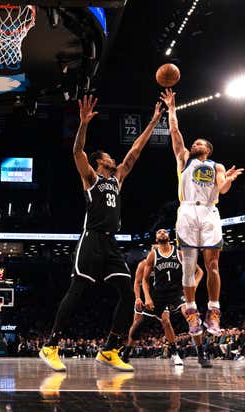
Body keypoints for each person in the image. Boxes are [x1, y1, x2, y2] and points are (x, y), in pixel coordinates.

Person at [39, 95, 165, 372]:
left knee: (129, 296)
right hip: (91, 239)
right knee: (77, 290)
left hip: (111, 243)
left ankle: (109, 349)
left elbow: (136, 150)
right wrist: (83, 124)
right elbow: (77, 153)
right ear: (99, 162)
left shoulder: (117, 179)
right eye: (107, 156)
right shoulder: (92, 179)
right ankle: (50, 345)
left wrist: (155, 121)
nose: (113, 158)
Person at [160, 88, 244, 337]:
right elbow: (175, 132)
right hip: (186, 212)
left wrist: (228, 179)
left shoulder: (216, 165)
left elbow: (223, 189)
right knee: (188, 266)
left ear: (207, 150)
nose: (194, 144)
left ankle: (214, 312)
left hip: (209, 213)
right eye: (194, 142)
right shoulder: (184, 158)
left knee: (213, 264)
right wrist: (172, 108)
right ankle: (192, 313)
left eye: (199, 143)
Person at [129, 229, 210, 367]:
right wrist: (144, 298)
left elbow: (199, 271)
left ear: (168, 237)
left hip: (176, 292)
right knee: (138, 324)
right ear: (155, 240)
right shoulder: (150, 258)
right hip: (158, 294)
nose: (162, 233)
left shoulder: (179, 253)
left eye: (164, 231)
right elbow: (142, 281)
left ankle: (200, 354)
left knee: (190, 316)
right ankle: (127, 350)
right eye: (159, 232)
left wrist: (194, 285)